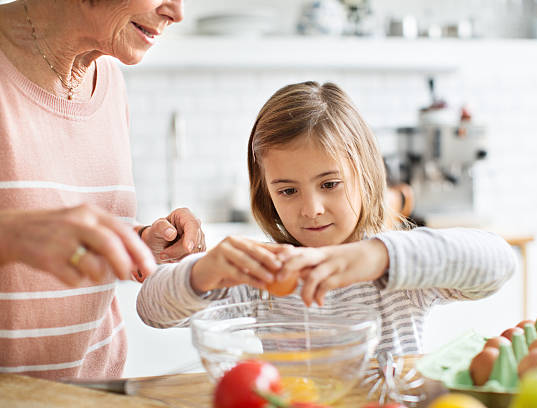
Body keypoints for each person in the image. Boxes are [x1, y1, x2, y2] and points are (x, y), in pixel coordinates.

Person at [137, 81, 517, 356]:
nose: (311, 208)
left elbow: (498, 262)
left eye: (330, 183)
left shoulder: (397, 270)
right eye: (288, 190)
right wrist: (201, 272)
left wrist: (378, 256)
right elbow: (151, 310)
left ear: (364, 175)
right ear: (266, 193)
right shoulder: (264, 277)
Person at [0, 0, 204, 380]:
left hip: (93, 391)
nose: (177, 12)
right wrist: (11, 236)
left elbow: (63, 233)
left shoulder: (107, 75)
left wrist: (137, 241)